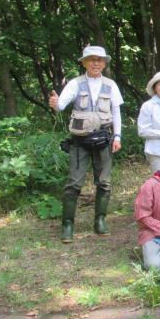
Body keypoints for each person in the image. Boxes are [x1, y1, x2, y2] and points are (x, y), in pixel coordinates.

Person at [48, 45, 123, 243]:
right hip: (80, 141)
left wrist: (118, 137)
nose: (96, 63)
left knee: (104, 183)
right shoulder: (75, 83)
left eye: (99, 60)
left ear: (104, 63)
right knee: (74, 183)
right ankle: (67, 224)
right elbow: (61, 105)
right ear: (84, 63)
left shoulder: (111, 85)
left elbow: (116, 112)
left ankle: (100, 220)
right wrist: (55, 103)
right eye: (91, 59)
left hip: (104, 139)